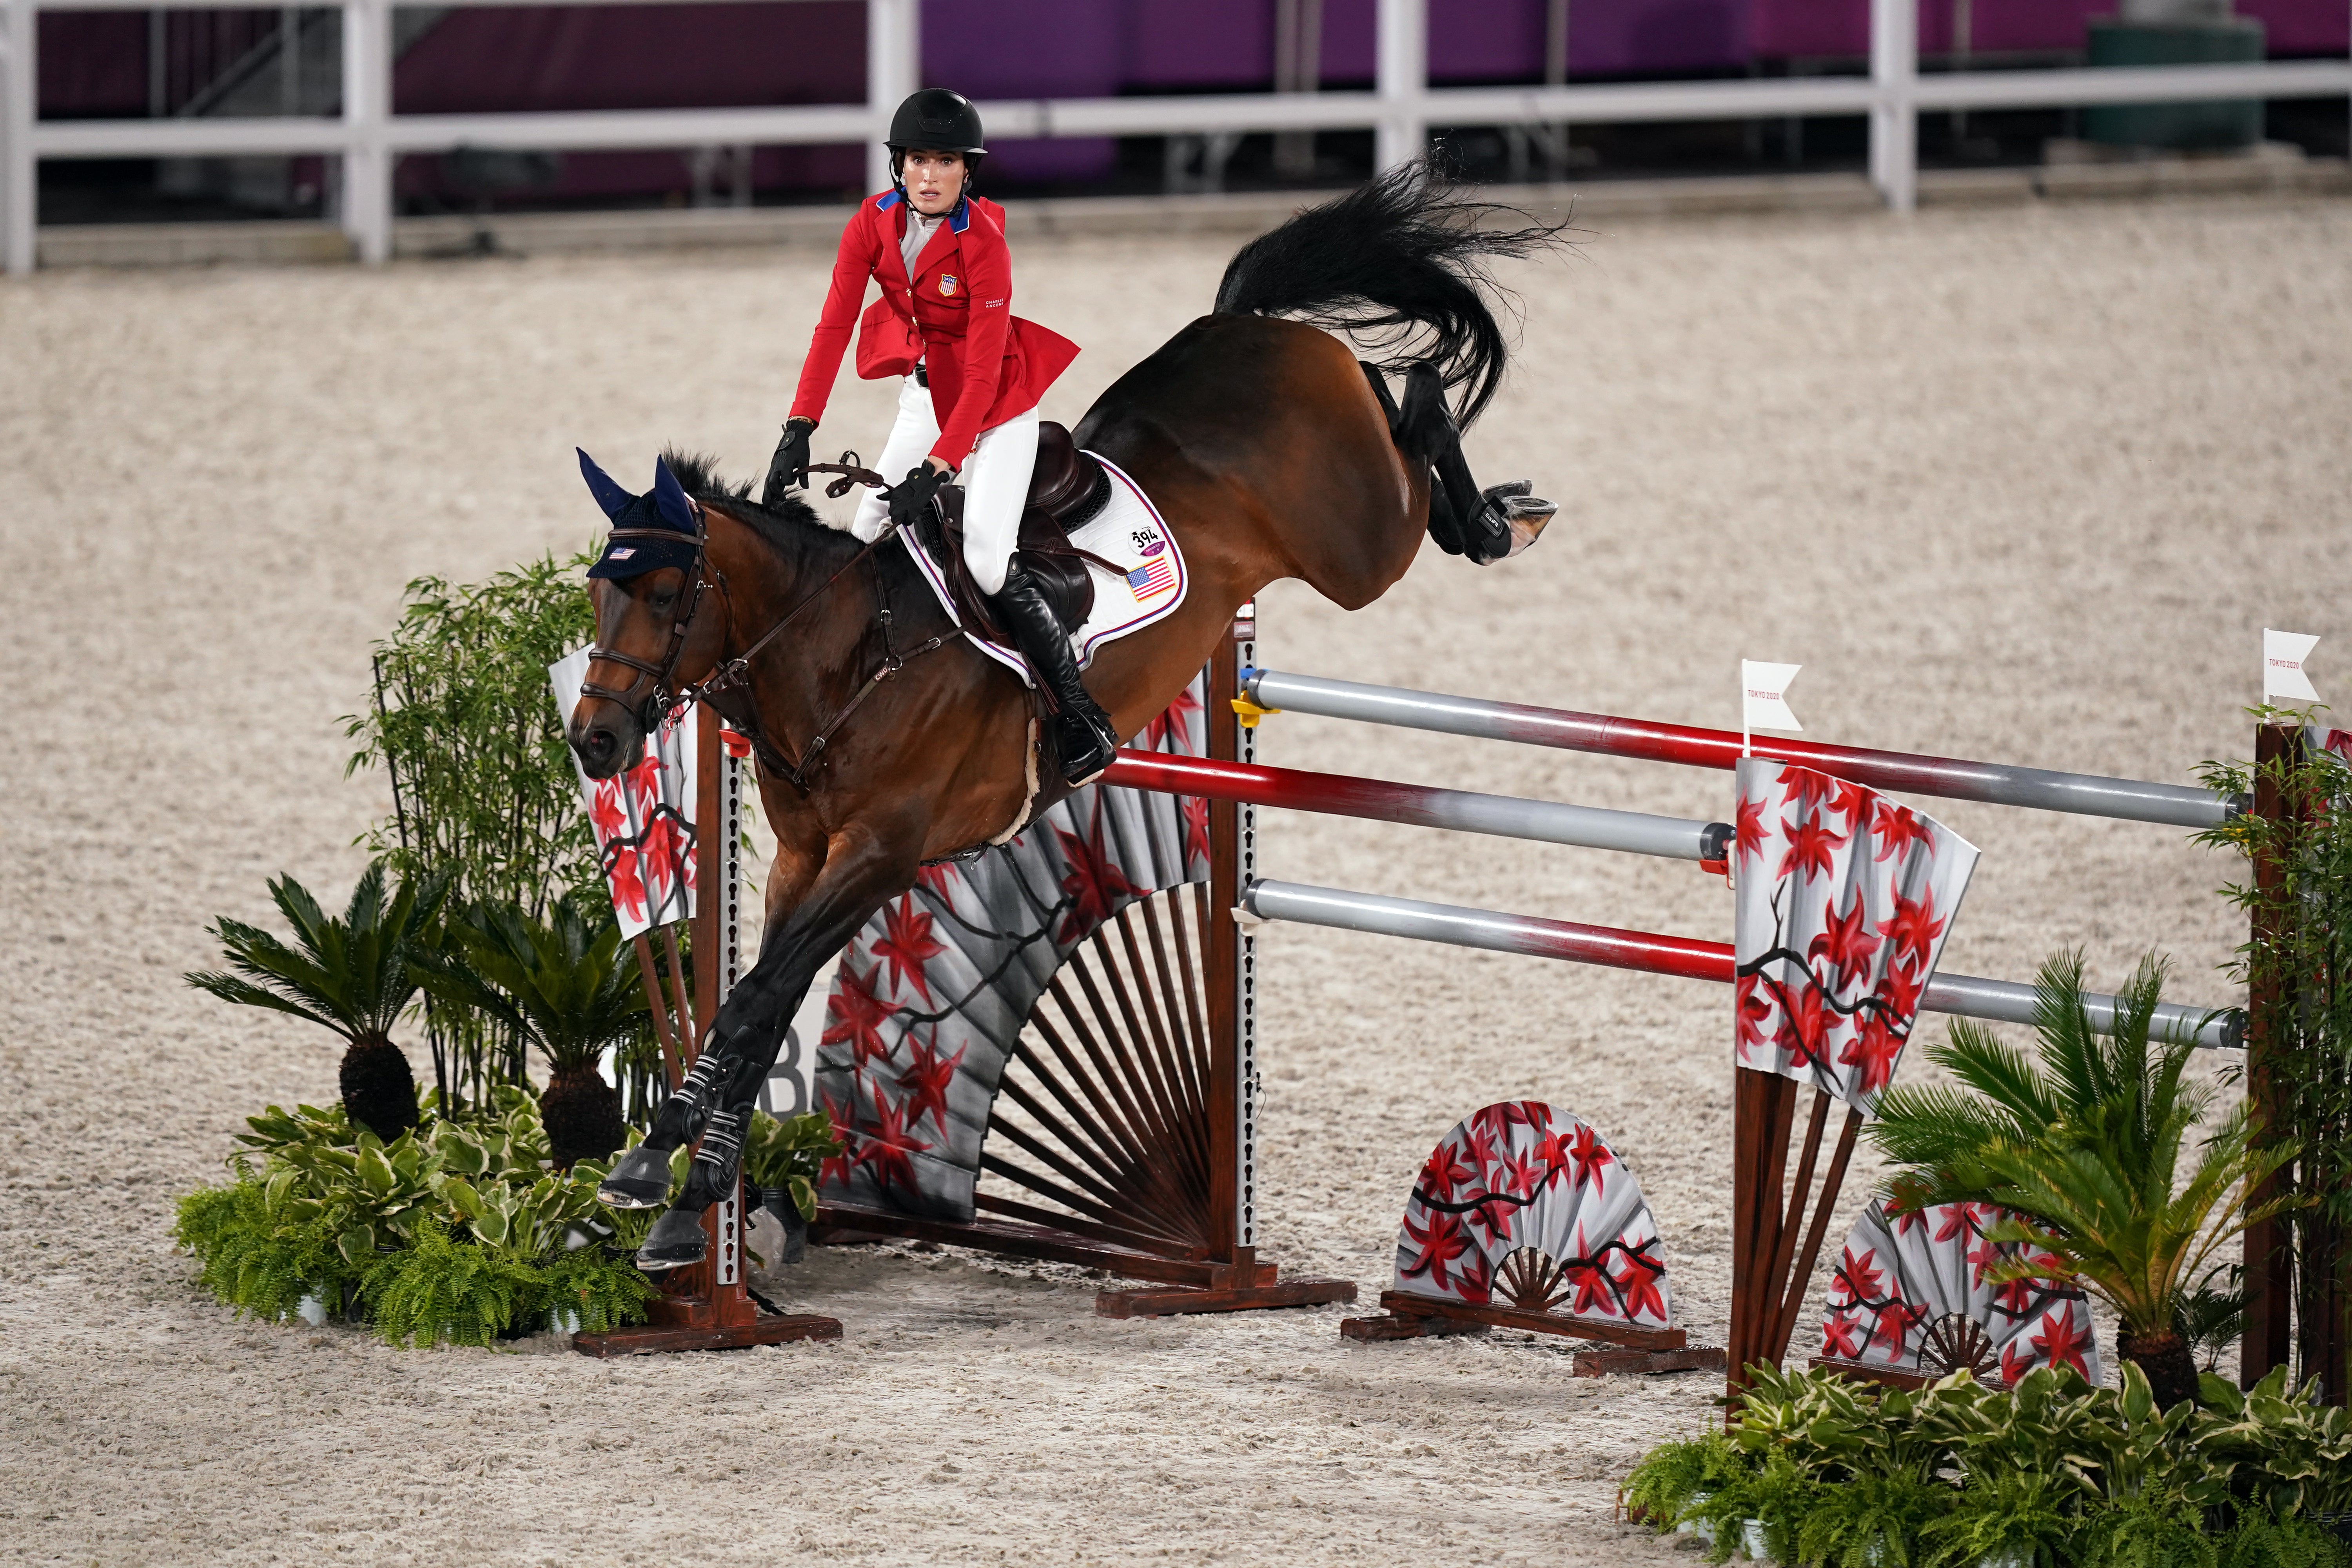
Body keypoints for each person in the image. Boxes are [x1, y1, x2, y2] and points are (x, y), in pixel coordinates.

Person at [762, 88, 1116, 785]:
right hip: (926, 393)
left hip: (997, 407)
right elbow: (834, 325)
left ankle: (1080, 714)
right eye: (919, 159)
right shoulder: (871, 223)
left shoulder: (984, 245)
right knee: (865, 533)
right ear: (899, 166)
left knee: (986, 559)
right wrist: (799, 425)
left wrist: (942, 465)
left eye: (945, 161)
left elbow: (984, 373)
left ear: (966, 172)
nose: (930, 175)